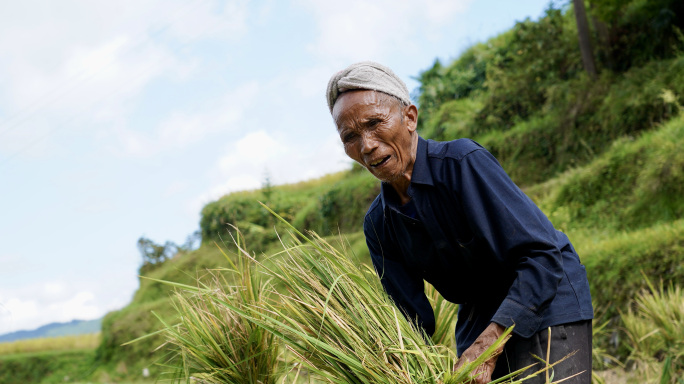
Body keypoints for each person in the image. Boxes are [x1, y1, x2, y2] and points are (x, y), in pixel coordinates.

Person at [325, 61, 594, 384]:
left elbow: (542, 255)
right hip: (477, 317)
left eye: (374, 123)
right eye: (350, 136)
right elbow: (410, 320)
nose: (366, 145)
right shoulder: (380, 224)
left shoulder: (462, 164)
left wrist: (487, 345)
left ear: (409, 117)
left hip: (545, 299)